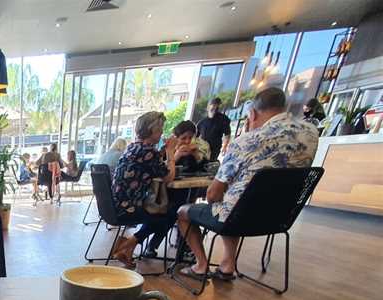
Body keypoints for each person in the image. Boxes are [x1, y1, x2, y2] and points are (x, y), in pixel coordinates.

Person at [176, 87, 318, 281]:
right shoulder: (310, 134)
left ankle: (201, 265)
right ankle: (227, 265)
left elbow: (212, 195)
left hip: (238, 217)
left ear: (252, 113)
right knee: (233, 202)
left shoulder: (247, 141)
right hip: (279, 216)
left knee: (185, 212)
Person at [109, 112, 178, 267]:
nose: (161, 134)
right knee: (170, 215)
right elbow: (168, 177)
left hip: (115, 205)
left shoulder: (131, 147)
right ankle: (127, 244)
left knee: (162, 215)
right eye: (160, 131)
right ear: (151, 131)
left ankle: (127, 249)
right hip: (129, 208)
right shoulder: (149, 151)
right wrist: (171, 153)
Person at [138, 121, 211, 259]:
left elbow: (204, 169)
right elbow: (160, 172)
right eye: (183, 138)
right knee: (172, 214)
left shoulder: (193, 152)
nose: (187, 141)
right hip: (162, 195)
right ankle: (152, 245)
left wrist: (197, 157)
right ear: (176, 137)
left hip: (186, 192)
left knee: (180, 212)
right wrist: (175, 156)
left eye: (190, 138)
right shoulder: (165, 150)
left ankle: (181, 248)